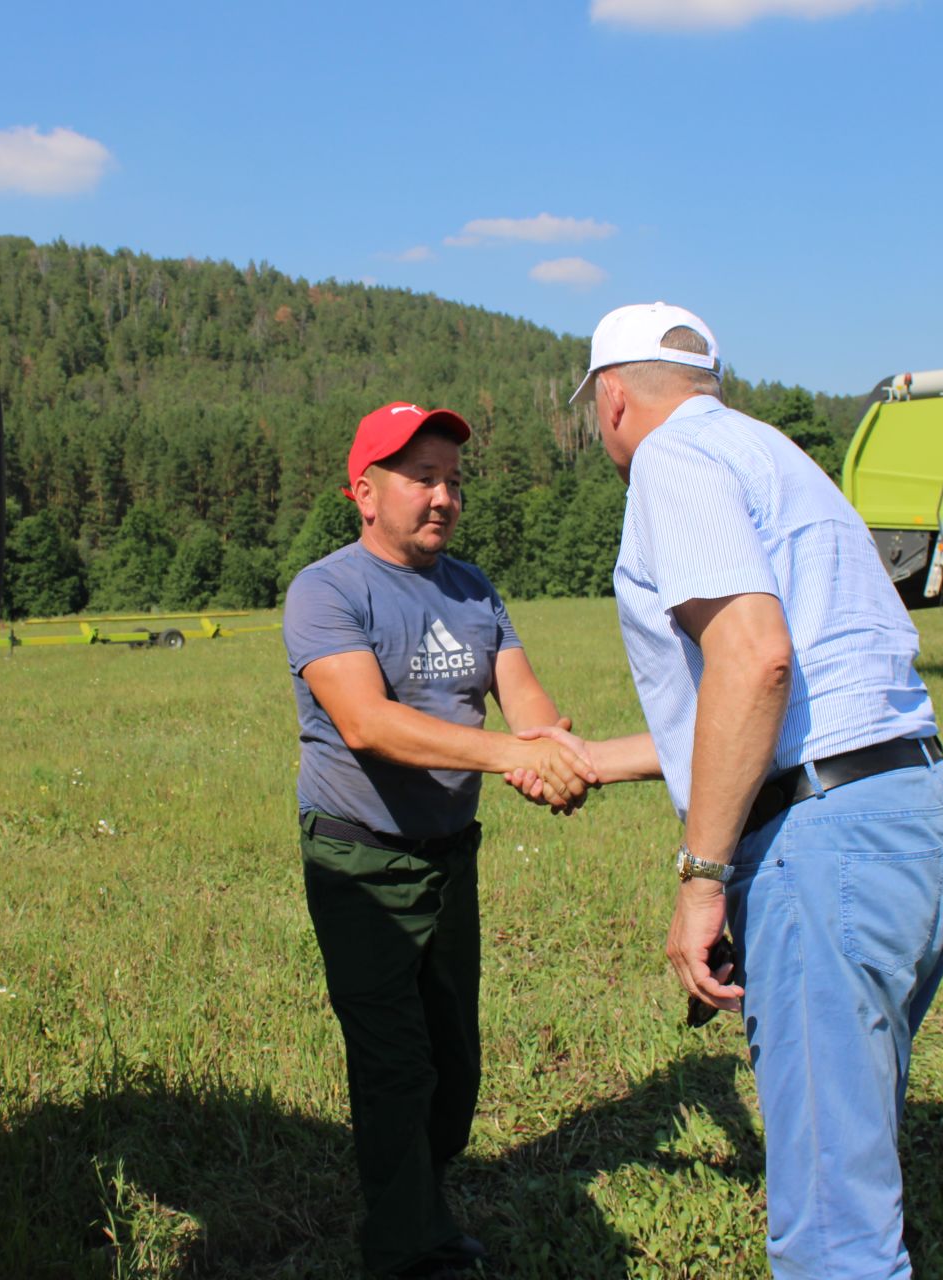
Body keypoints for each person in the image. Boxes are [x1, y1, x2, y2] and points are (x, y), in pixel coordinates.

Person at [516, 303, 943, 1277]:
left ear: (612, 400)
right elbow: (770, 697)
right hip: (913, 809)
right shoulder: (769, 455)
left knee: (831, 1230)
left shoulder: (671, 467)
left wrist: (701, 874)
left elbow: (756, 662)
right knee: (851, 1147)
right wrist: (595, 756)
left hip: (826, 842)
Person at [283, 400, 596, 1278]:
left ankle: (421, 1194)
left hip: (451, 858)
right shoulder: (328, 589)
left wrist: (548, 750)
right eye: (421, 476)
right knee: (395, 1066)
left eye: (453, 480)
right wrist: (510, 755)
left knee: (454, 1067)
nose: (443, 496)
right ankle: (408, 1249)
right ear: (365, 491)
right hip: (360, 861)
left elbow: (523, 695)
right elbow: (368, 723)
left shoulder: (474, 588)